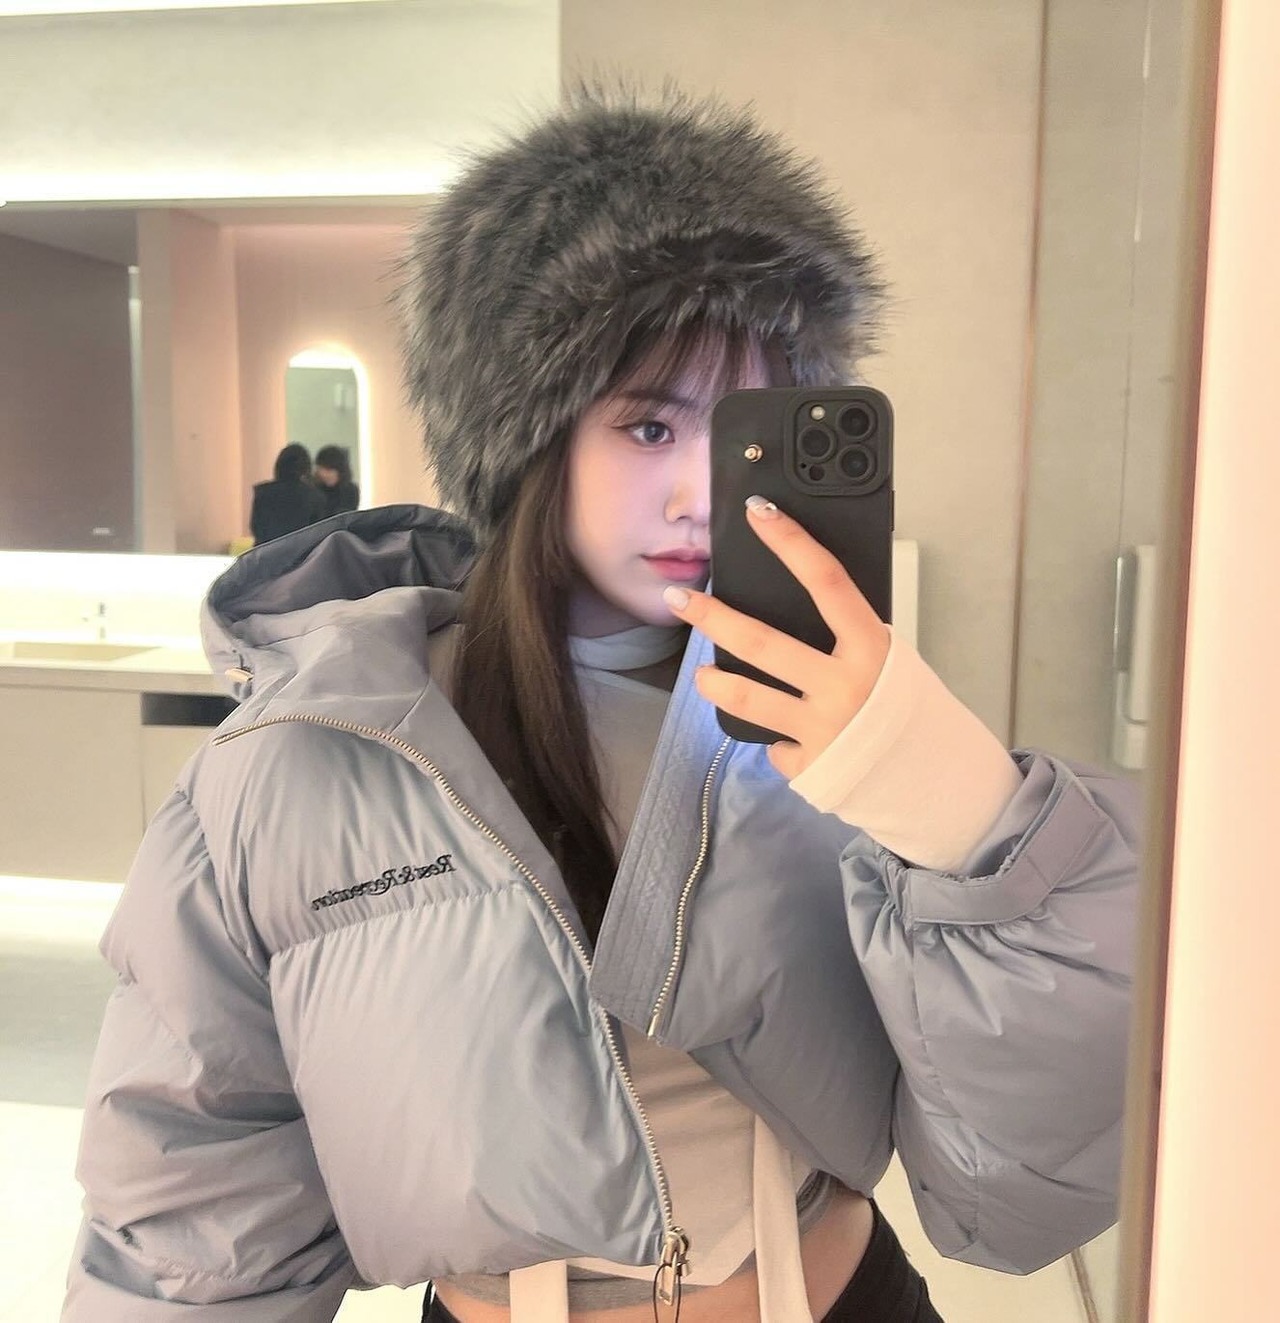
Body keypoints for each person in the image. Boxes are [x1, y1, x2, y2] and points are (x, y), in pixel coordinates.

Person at [63, 88, 1139, 1323]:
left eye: (740, 434)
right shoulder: (314, 753)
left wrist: (970, 818)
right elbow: (191, 1209)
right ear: (529, 441)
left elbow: (1027, 1186)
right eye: (646, 425)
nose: (698, 494)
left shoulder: (828, 720)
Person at [248, 442, 328, 544]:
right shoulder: (314, 496)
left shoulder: (262, 492)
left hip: (267, 551)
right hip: (300, 552)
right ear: (305, 467)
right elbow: (318, 534)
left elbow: (256, 528)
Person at [313, 444, 361, 519]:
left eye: (329, 470)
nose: (325, 474)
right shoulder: (314, 491)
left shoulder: (350, 490)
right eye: (322, 469)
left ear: (340, 470)